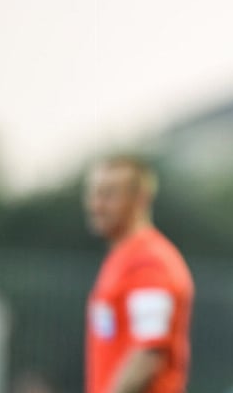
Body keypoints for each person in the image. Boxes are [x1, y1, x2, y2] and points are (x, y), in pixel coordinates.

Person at [84, 155, 194, 393]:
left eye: (108, 195)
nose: (96, 205)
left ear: (140, 199)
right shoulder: (122, 257)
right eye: (94, 194)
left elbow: (147, 355)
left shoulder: (148, 261)